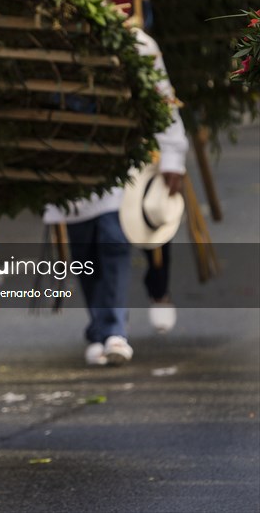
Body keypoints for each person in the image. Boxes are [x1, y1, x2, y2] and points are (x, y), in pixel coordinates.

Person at [43, 27, 188, 366]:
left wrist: (172, 155)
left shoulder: (134, 43)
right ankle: (100, 328)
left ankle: (114, 331)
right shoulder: (49, 41)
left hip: (120, 160)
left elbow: (162, 97)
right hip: (68, 160)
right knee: (84, 248)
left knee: (113, 238)